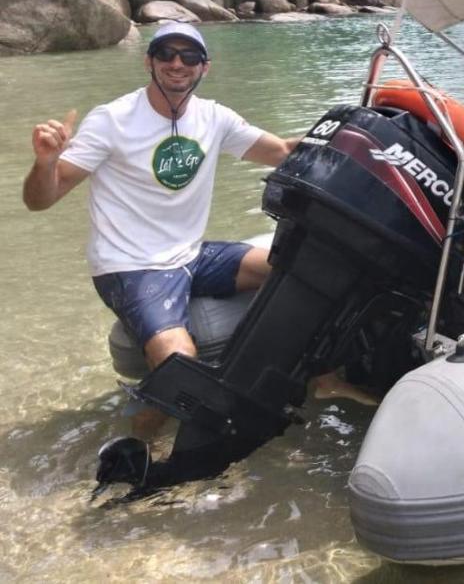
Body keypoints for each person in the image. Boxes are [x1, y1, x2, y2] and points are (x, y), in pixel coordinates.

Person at [22, 21, 367, 440]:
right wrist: (45, 163)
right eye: (166, 54)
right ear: (149, 61)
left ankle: (320, 377)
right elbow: (42, 198)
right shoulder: (112, 120)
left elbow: (278, 151)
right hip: (131, 266)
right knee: (179, 364)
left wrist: (355, 140)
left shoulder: (214, 117)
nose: (177, 64)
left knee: (302, 269)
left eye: (189, 56)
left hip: (190, 254)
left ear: (205, 67)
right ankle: (137, 448)